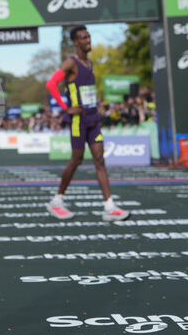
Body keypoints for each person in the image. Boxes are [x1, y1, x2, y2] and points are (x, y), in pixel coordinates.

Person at [45, 25, 130, 221]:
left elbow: (87, 89)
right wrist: (66, 108)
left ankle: (109, 206)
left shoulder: (89, 63)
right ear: (75, 42)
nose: (88, 41)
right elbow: (51, 84)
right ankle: (57, 201)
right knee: (76, 159)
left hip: (93, 118)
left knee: (99, 160)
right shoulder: (70, 63)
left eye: (89, 37)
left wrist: (97, 105)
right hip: (78, 120)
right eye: (83, 38)